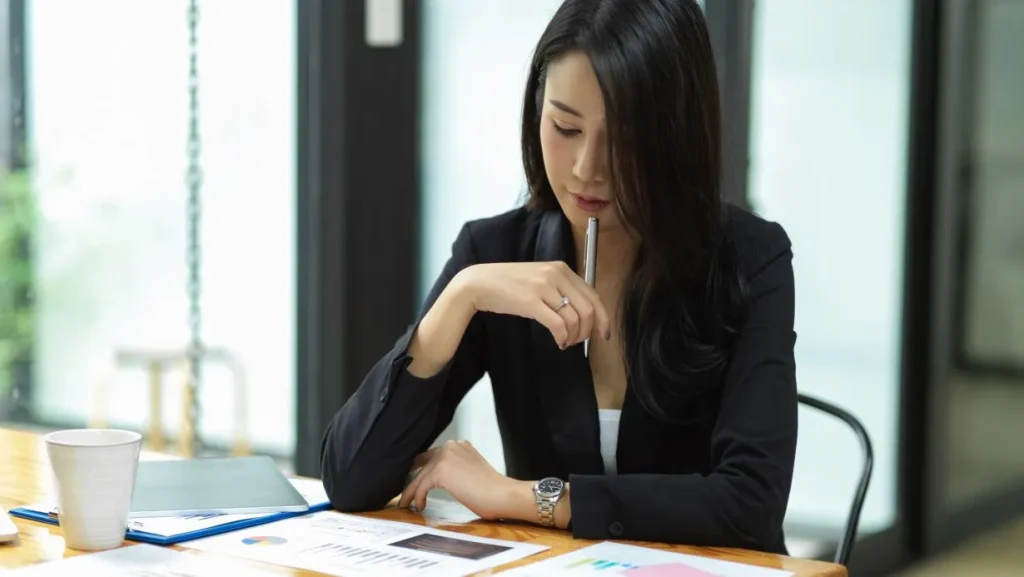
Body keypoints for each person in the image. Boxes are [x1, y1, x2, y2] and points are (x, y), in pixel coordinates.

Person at [320, 0, 797, 554]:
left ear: (675, 133)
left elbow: (750, 507)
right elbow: (351, 478)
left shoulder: (748, 259)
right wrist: (461, 297)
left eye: (623, 138)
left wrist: (526, 498)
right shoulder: (495, 252)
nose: (586, 168)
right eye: (565, 127)